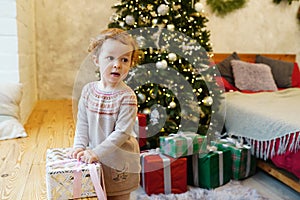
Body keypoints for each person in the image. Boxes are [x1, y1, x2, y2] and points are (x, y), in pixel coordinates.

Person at [70, 28, 141, 200]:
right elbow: (83, 123)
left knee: (118, 195)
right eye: (110, 58)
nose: (117, 64)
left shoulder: (127, 96)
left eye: (124, 59)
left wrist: (96, 152)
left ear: (130, 64)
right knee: (98, 193)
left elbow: (122, 133)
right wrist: (79, 146)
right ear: (96, 60)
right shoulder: (88, 91)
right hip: (96, 159)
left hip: (120, 161)